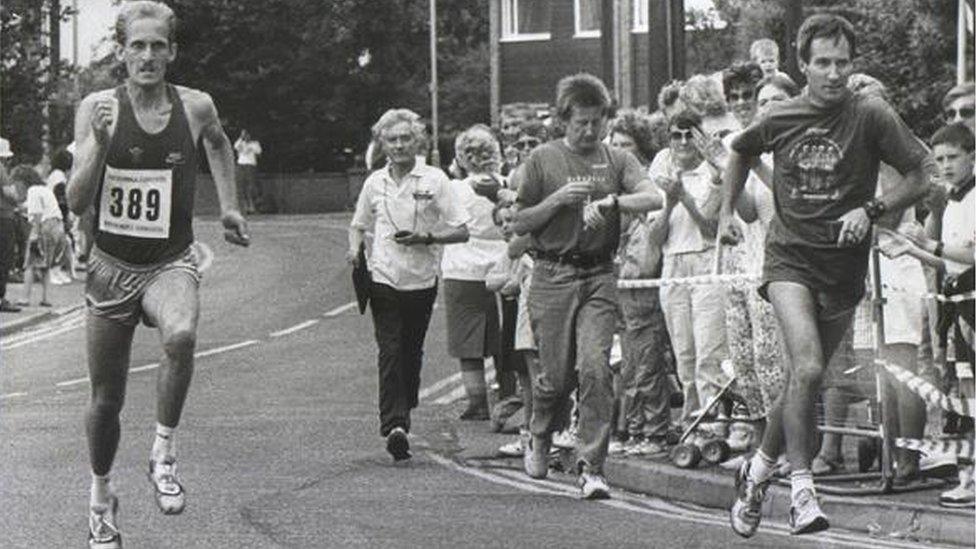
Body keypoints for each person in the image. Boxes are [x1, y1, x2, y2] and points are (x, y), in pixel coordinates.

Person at [721, 14, 930, 536]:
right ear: (803, 65)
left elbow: (921, 174)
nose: (833, 73)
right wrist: (726, 213)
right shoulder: (784, 115)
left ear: (852, 64)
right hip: (790, 260)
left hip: (842, 267)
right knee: (809, 367)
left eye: (842, 63)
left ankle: (757, 471)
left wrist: (873, 209)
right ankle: (802, 491)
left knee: (799, 380)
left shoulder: (872, 115)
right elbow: (741, 151)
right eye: (822, 63)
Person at [66, 3, 250, 547]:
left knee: (183, 335)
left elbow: (219, 143)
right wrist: (99, 144)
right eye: (137, 46)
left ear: (172, 51)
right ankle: (101, 497)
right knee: (106, 402)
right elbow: (77, 202)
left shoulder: (195, 106)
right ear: (121, 52)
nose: (148, 56)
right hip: (110, 266)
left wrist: (230, 206)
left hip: (169, 260)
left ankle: (163, 453)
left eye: (158, 46)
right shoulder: (97, 108)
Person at [512, 73, 662, 499]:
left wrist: (613, 201)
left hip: (598, 274)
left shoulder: (616, 160)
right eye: (581, 122)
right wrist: (557, 200)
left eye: (597, 121)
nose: (590, 130)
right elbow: (519, 223)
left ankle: (592, 466)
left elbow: (654, 197)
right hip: (551, 274)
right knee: (555, 379)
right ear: (564, 119)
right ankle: (539, 432)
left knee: (595, 369)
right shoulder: (542, 159)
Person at [348, 108, 470, 461]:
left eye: (405, 138)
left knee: (410, 351)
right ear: (382, 144)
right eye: (392, 139)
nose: (399, 145)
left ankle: (405, 402)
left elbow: (462, 229)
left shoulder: (435, 180)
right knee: (390, 348)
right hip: (383, 276)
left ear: (418, 141)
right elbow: (358, 225)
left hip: (422, 279)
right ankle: (395, 425)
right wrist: (354, 251)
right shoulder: (374, 182)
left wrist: (426, 237)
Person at [647, 110, 729, 434]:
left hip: (707, 259)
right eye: (676, 136)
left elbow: (710, 227)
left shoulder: (714, 171)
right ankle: (693, 421)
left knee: (710, 348)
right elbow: (655, 239)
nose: (683, 142)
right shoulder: (660, 167)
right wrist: (669, 201)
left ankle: (714, 422)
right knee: (684, 351)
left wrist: (684, 197)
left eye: (689, 135)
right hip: (673, 263)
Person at [608, 111, 674, 456]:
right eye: (615, 144)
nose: (619, 151)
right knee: (629, 364)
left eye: (627, 145)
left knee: (647, 360)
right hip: (619, 283)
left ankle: (654, 430)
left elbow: (649, 246)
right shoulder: (612, 185)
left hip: (643, 282)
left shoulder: (647, 186)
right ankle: (633, 429)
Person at [442, 124, 508, 420]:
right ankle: (508, 398)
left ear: (462, 158)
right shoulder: (506, 185)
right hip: (502, 267)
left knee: (467, 342)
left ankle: (477, 402)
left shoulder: (455, 189)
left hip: (462, 269)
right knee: (504, 338)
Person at [14, 165, 66, 307]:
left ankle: (24, 298)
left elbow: (37, 214)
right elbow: (32, 207)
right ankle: (46, 298)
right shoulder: (44, 190)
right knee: (45, 265)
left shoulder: (32, 191)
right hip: (57, 226)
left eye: (17, 184)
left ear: (23, 181)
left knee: (30, 264)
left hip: (44, 226)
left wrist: (34, 234)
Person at [0, 137, 22, 312]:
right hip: (3, 217)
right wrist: (17, 197)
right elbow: (10, 194)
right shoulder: (1, 169)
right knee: (4, 258)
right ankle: (1, 299)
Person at [723, 62, 764, 130]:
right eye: (734, 97)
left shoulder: (774, 136)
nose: (741, 102)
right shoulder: (728, 139)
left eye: (747, 95)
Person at [233, 129, 262, 213]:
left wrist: (250, 146)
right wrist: (241, 139)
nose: (245, 137)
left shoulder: (255, 143)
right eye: (243, 135)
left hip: (250, 165)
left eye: (246, 135)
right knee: (242, 186)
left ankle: (252, 206)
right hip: (241, 165)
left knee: (251, 186)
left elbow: (259, 152)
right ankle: (245, 206)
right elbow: (235, 147)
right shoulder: (240, 143)